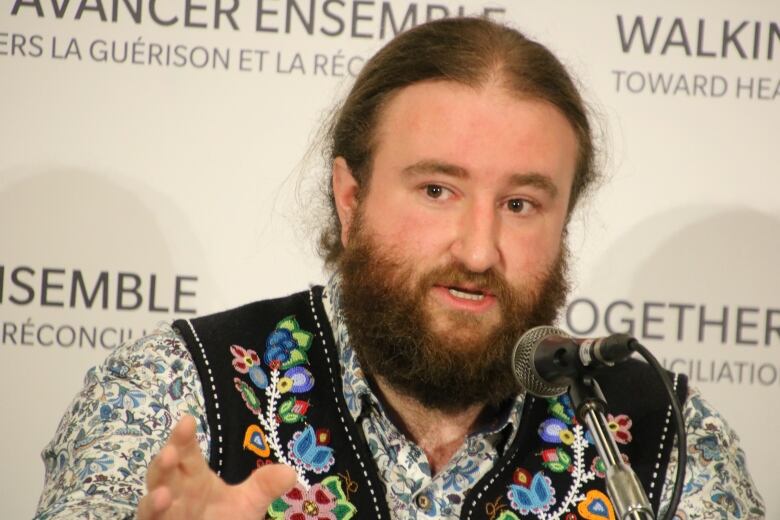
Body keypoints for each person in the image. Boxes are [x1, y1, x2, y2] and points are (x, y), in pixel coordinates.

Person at [35, 17, 764, 520]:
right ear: (350, 199)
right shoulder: (175, 394)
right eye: (437, 191)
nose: (479, 251)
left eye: (520, 204)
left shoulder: (664, 435)